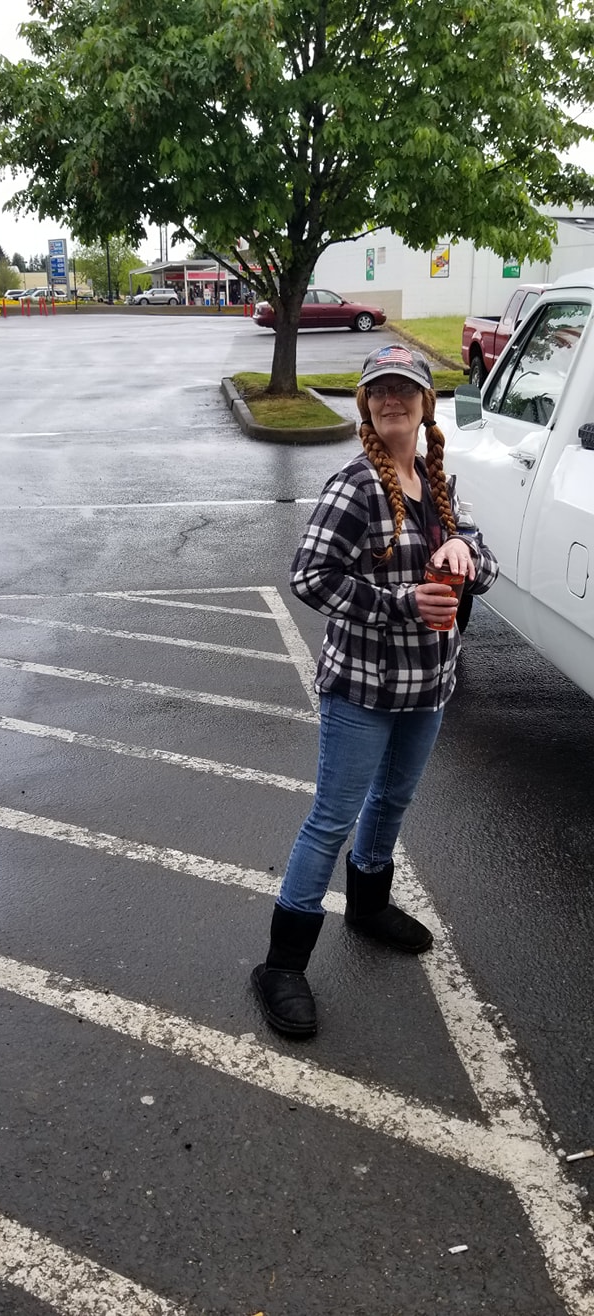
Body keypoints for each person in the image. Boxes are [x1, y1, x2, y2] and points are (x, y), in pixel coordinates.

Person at [252, 344, 498, 1039]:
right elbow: (309, 577)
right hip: (362, 689)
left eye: (405, 390)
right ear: (365, 405)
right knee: (331, 819)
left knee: (393, 801)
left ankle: (367, 906)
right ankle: (282, 965)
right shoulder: (355, 486)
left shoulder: (438, 486)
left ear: (425, 405)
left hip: (429, 685)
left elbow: (487, 567)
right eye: (380, 390)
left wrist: (466, 553)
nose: (393, 399)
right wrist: (400, 603)